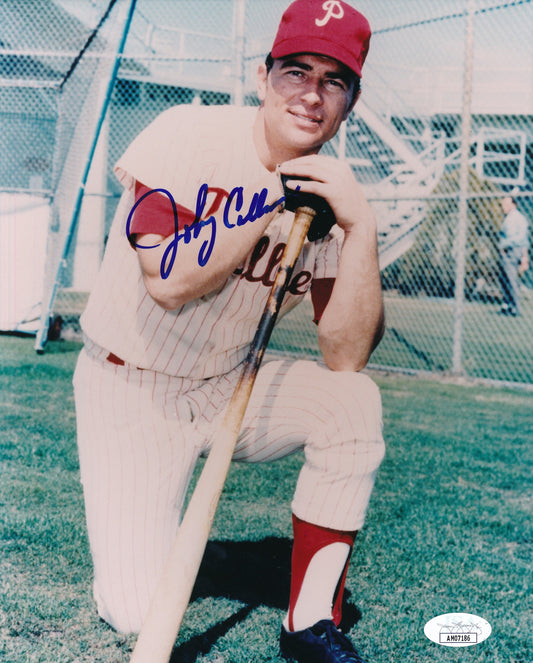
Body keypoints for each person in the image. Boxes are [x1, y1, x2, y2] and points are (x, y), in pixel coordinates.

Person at [73, 1, 385, 661]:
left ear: (351, 100)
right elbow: (168, 278)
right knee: (136, 611)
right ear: (260, 76)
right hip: (130, 386)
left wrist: (360, 229)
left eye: (333, 80)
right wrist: (269, 196)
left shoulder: (334, 193)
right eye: (295, 71)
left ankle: (308, 622)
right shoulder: (183, 133)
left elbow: (346, 353)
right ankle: (152, 540)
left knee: (351, 402)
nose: (310, 93)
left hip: (228, 387)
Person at [498, 196, 529, 316]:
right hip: (505, 252)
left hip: (512, 251)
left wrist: (524, 257)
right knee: (504, 279)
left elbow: (522, 239)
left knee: (511, 279)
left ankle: (516, 307)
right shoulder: (508, 218)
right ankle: (507, 304)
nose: (503, 207)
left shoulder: (519, 219)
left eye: (505, 204)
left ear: (513, 204)